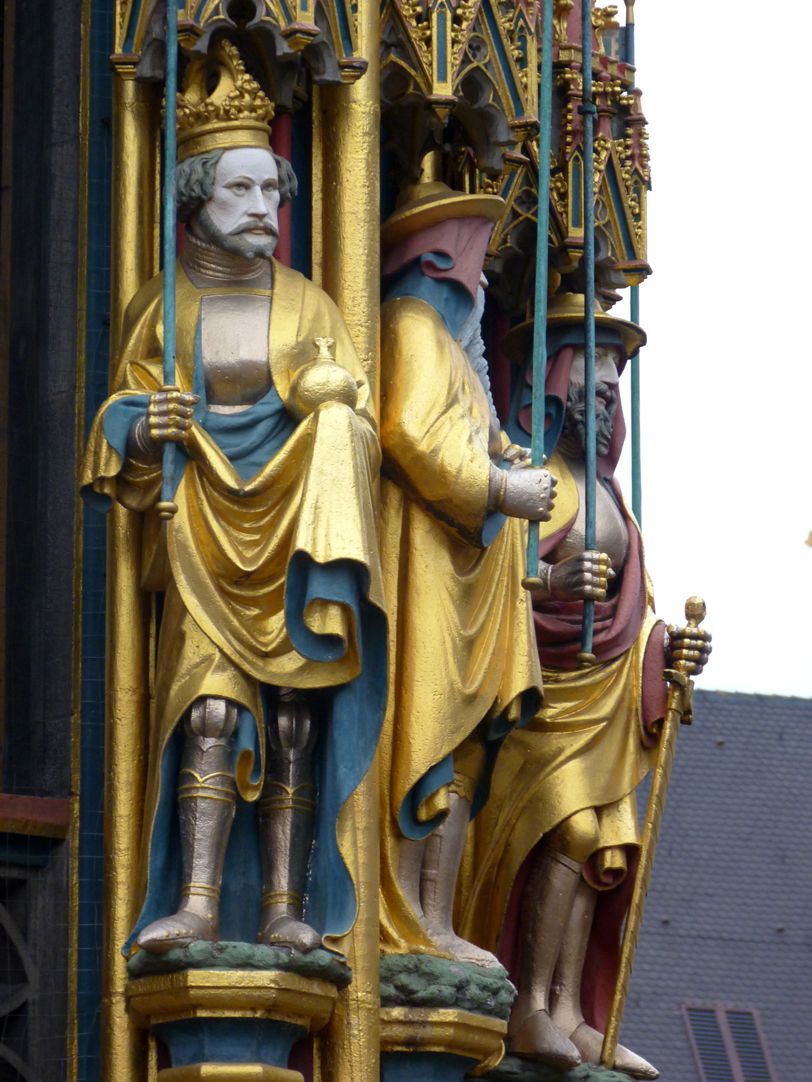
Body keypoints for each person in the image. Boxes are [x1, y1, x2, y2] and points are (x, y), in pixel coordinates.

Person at [82, 41, 385, 956]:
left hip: (291, 526)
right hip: (202, 530)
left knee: (292, 718)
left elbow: (358, 418)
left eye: (272, 194)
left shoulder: (309, 302)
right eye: (241, 193)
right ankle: (201, 901)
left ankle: (284, 906)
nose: (264, 211)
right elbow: (116, 415)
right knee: (211, 711)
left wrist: (332, 411)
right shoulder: (163, 306)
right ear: (195, 200)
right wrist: (147, 422)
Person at [460, 293, 711, 1074]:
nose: (605, 398)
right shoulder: (532, 481)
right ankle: (527, 1004)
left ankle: (571, 1010)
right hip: (544, 698)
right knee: (563, 832)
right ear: (552, 385)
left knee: (602, 848)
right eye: (591, 379)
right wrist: (554, 577)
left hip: (603, 698)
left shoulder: (615, 503)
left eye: (614, 385)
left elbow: (637, 617)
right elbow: (485, 582)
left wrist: (672, 650)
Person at [377, 179, 555, 968]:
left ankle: (435, 919)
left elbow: (473, 430)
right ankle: (414, 920)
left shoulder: (452, 346)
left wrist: (512, 461)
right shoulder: (413, 326)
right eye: (479, 263)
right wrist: (500, 486)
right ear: (444, 259)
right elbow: (410, 433)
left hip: (469, 575)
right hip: (429, 569)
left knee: (465, 750)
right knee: (431, 740)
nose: (485, 283)